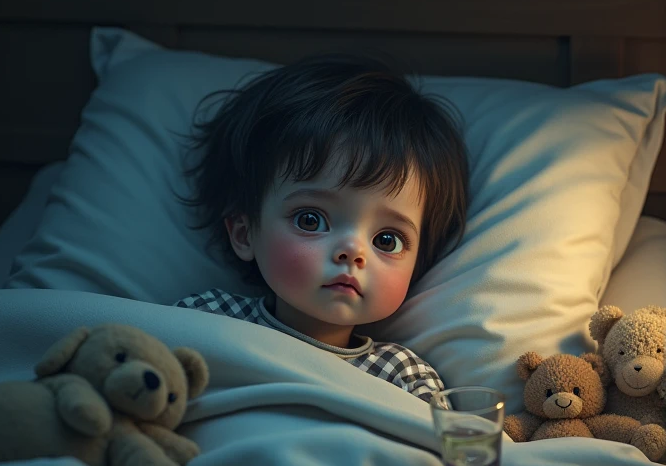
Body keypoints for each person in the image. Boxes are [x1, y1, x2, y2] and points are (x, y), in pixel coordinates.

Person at [170, 52, 469, 402]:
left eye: (386, 240)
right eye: (310, 220)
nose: (353, 252)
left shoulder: (403, 376)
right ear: (243, 233)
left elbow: (444, 455)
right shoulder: (204, 321)